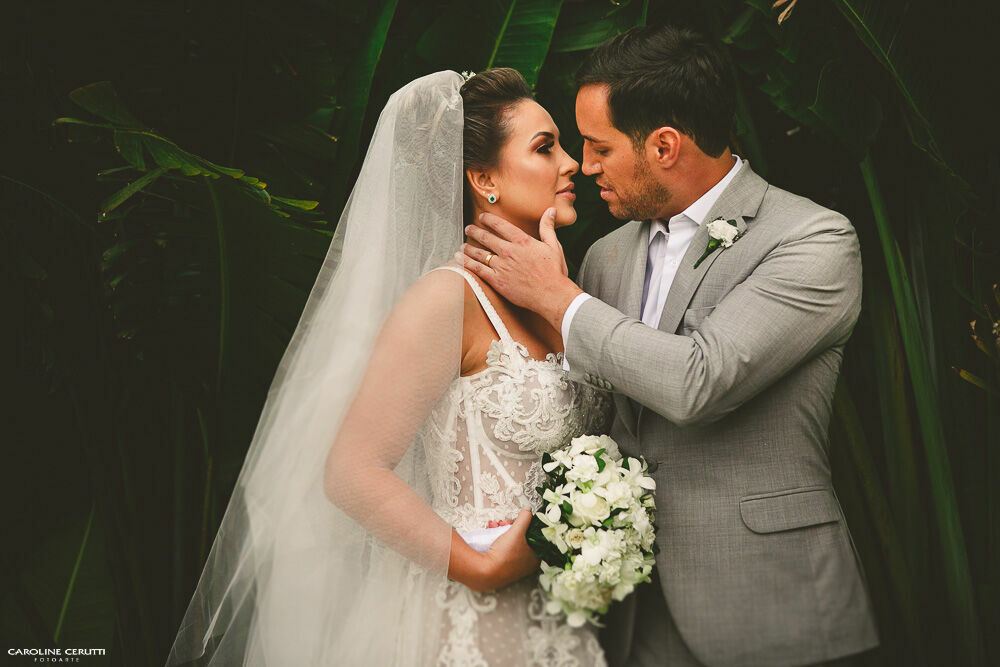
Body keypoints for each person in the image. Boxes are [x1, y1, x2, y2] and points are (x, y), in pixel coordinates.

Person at [461, 24, 880, 667]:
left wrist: (558, 300)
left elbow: (698, 383)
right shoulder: (603, 256)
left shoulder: (812, 241)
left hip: (772, 605)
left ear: (663, 145)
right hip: (631, 618)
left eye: (599, 146)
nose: (585, 165)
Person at [165, 68, 612, 667]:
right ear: (484, 179)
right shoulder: (447, 298)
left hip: (566, 617)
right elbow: (351, 471)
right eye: (545, 147)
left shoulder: (563, 291)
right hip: (473, 623)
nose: (571, 164)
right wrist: (479, 568)